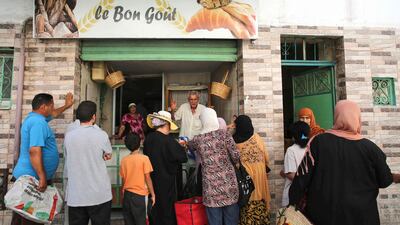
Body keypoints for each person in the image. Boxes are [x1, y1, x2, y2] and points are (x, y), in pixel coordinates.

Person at [289, 100, 400, 225]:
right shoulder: (371, 149)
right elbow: (385, 180)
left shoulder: (318, 142)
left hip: (323, 215)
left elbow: (301, 178)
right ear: (358, 118)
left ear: (336, 117)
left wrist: (292, 204)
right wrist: (395, 177)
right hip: (362, 217)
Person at [11, 92, 73, 225]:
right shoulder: (38, 123)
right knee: (30, 219)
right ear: (44, 107)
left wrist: (67, 105)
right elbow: (34, 151)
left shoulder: (35, 118)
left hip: (31, 177)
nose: (52, 108)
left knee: (22, 219)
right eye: (51, 105)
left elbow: (54, 113)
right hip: (33, 179)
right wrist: (42, 177)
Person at [63, 101, 113, 225]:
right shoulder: (101, 135)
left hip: (76, 195)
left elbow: (68, 155)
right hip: (99, 194)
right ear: (94, 117)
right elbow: (108, 154)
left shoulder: (69, 136)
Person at [188, 108, 240, 225]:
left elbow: (190, 146)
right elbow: (236, 156)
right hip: (229, 186)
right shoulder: (224, 135)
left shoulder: (198, 139)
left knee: (214, 221)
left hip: (211, 189)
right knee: (231, 221)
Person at [143, 111, 188, 225]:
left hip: (151, 180)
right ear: (167, 125)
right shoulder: (169, 141)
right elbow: (183, 158)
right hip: (167, 180)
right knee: (167, 209)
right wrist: (182, 147)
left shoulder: (148, 139)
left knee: (155, 205)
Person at [233, 115, 271, 225]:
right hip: (260, 178)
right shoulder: (257, 138)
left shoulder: (234, 141)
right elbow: (266, 158)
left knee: (247, 207)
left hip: (246, 181)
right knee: (260, 207)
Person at [120, 133, 156, 225]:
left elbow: (123, 179)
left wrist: (123, 193)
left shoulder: (124, 160)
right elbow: (148, 178)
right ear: (140, 143)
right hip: (140, 196)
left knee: (129, 221)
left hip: (127, 195)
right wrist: (153, 194)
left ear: (126, 145)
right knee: (141, 221)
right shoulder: (144, 159)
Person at [281, 121, 310, 207]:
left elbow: (291, 174)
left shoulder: (291, 150)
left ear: (294, 136)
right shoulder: (311, 148)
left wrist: (285, 173)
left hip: (294, 196)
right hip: (308, 196)